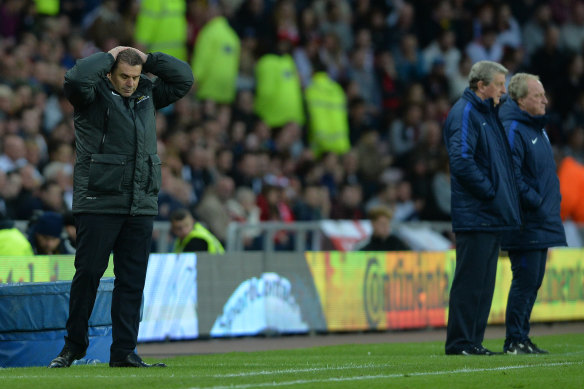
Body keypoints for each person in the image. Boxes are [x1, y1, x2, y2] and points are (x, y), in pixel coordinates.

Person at [48, 46, 194, 368]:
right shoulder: (90, 95)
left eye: (135, 76)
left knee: (132, 281)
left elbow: (184, 79)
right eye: (124, 76)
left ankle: (124, 352)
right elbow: (74, 78)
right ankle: (73, 346)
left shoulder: (148, 93)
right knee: (88, 275)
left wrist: (149, 59)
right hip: (99, 201)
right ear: (111, 73)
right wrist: (109, 54)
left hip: (140, 203)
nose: (130, 83)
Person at [443, 61, 521, 356]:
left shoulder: (486, 114)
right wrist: (490, 192)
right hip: (476, 213)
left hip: (488, 215)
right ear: (481, 86)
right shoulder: (466, 113)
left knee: (484, 283)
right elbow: (461, 161)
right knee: (471, 281)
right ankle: (461, 342)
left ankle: (472, 341)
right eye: (500, 84)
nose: (504, 89)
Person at [499, 73, 567, 354]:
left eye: (544, 95)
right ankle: (514, 339)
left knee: (533, 282)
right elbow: (512, 177)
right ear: (520, 100)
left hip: (541, 220)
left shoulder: (537, 129)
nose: (545, 100)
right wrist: (538, 202)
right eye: (538, 96)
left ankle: (521, 337)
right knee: (525, 281)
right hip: (526, 221)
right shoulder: (514, 128)